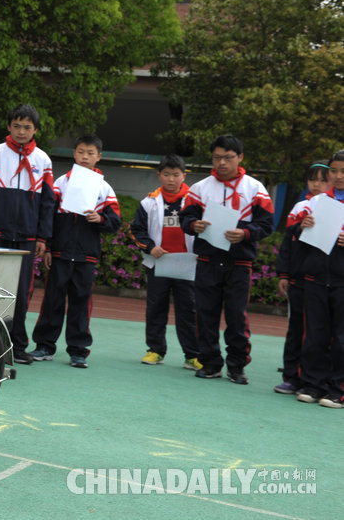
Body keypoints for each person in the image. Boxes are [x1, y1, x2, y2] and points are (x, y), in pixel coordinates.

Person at [179, 135, 274, 385]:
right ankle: (210, 363)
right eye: (217, 158)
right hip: (208, 260)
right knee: (205, 313)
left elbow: (266, 224)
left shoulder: (255, 188)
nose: (222, 163)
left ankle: (237, 366)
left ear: (240, 158)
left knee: (236, 316)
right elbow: (186, 218)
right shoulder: (200, 188)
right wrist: (193, 224)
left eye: (228, 158)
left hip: (239, 263)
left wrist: (245, 233)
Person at [30, 134, 121, 368]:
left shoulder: (104, 188)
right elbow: (49, 216)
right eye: (81, 152)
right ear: (74, 153)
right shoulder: (61, 182)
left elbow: (115, 222)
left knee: (81, 303)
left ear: (99, 157)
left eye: (91, 153)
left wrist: (99, 218)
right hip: (59, 253)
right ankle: (44, 346)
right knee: (52, 301)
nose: (85, 157)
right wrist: (49, 246)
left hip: (86, 256)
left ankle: (78, 350)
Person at [0, 104, 54, 364]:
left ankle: (17, 346)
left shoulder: (43, 159)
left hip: (28, 236)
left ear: (35, 130)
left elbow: (47, 202)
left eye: (27, 127)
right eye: (17, 126)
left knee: (22, 292)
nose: (22, 131)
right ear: (9, 126)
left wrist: (43, 237)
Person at [130, 154, 201, 370]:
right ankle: (155, 350)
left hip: (188, 265)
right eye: (167, 174)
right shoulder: (148, 202)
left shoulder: (196, 201)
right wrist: (150, 247)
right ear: (159, 175)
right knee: (155, 309)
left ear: (184, 176)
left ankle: (193, 355)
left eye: (176, 175)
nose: (171, 179)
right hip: (158, 264)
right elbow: (136, 230)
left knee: (188, 311)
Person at [293, 150, 344, 408]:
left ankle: (338, 389)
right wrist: (302, 226)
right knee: (315, 336)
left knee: (341, 338)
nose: (338, 176)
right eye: (334, 171)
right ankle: (313, 385)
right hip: (314, 278)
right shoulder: (316, 201)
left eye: (343, 172)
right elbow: (294, 235)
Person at [274, 162, 330, 395]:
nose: (316, 184)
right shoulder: (300, 208)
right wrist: (284, 274)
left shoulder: (335, 208)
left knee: (319, 332)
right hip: (297, 279)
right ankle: (292, 377)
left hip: (320, 280)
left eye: (322, 179)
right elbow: (288, 245)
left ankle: (316, 379)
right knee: (295, 329)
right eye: (312, 179)